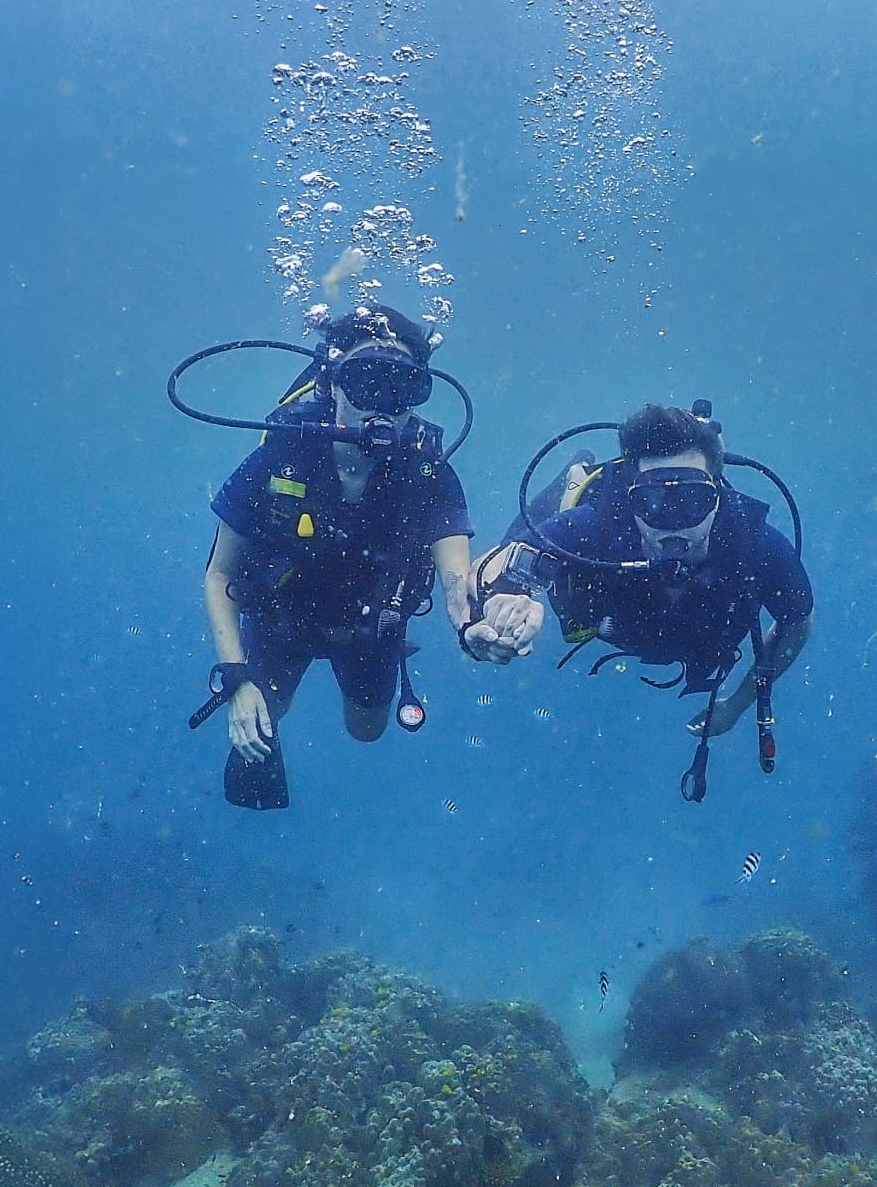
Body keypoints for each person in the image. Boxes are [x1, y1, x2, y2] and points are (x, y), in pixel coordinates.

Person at [203, 304, 519, 809]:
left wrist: (468, 626)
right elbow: (219, 574)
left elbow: (456, 574)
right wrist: (236, 677)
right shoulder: (278, 456)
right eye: (365, 383)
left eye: (401, 391)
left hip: (370, 627)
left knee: (367, 731)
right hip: (282, 616)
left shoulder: (427, 473)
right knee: (265, 713)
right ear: (332, 385)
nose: (382, 407)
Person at [469, 403, 814, 797]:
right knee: (521, 535)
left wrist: (737, 705)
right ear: (630, 497)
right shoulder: (598, 524)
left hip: (670, 633)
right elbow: (512, 556)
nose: (672, 521)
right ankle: (575, 479)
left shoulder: (755, 544)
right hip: (608, 619)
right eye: (651, 501)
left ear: (717, 497)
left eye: (692, 501)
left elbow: (797, 622)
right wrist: (510, 596)